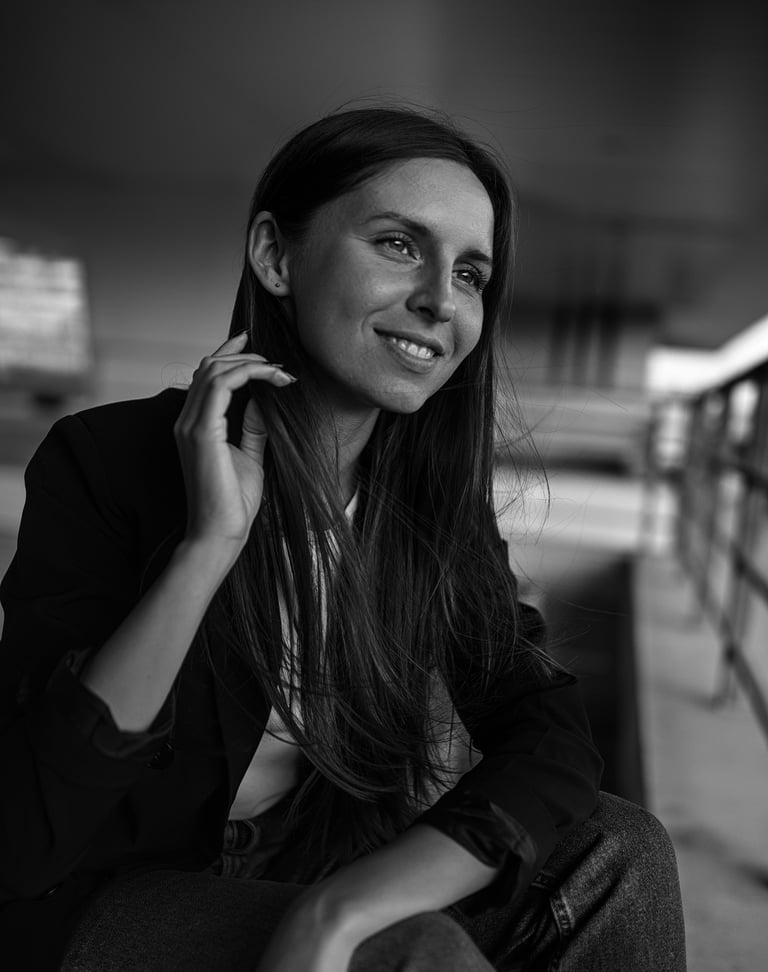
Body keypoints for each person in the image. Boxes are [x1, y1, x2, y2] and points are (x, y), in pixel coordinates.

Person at [0, 106, 686, 971]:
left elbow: (546, 730)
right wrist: (207, 548)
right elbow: (28, 832)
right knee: (411, 949)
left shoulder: (428, 503)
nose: (441, 299)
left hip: (309, 868)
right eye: (399, 244)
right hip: (103, 900)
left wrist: (340, 908)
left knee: (622, 850)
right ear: (275, 255)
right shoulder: (107, 459)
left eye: (470, 273)